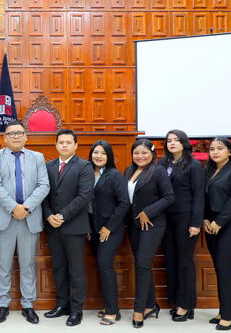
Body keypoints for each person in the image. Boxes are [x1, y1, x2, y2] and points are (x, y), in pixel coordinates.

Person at [0, 120, 50, 324]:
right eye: (11, 133)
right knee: (3, 264)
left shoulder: (38, 157)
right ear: (4, 137)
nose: (15, 136)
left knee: (28, 264)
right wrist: (14, 207)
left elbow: (43, 185)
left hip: (29, 218)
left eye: (19, 133)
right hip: (6, 217)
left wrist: (27, 207)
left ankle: (28, 304)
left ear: (26, 136)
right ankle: (3, 304)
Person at [42, 129, 94, 327]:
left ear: (75, 145)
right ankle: (61, 305)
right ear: (56, 145)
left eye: (68, 142)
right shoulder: (49, 166)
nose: (64, 145)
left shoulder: (84, 166)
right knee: (59, 268)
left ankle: (76, 310)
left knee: (76, 270)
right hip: (53, 227)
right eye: (60, 142)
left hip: (74, 226)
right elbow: (44, 194)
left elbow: (84, 195)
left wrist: (62, 216)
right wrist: (48, 216)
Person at [125, 138, 175, 328]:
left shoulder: (158, 171)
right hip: (134, 226)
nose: (140, 156)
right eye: (136, 153)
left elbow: (169, 196)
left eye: (144, 153)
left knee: (143, 265)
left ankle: (139, 310)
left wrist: (148, 212)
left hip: (154, 224)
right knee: (141, 265)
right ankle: (150, 305)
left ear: (152, 154)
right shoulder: (129, 171)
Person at [157, 130, 204, 322]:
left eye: (176, 140)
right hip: (166, 218)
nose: (172, 143)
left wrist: (196, 222)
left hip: (185, 217)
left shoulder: (193, 165)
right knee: (171, 259)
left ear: (184, 143)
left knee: (185, 261)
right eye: (169, 141)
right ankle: (177, 301)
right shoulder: (162, 163)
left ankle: (186, 305)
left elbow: (199, 195)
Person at [203, 137, 231, 331]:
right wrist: (205, 219)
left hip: (230, 226)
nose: (215, 152)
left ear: (230, 151)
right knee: (220, 269)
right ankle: (224, 311)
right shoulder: (209, 171)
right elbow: (201, 197)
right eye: (212, 149)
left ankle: (229, 316)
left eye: (220, 149)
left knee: (224, 269)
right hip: (210, 225)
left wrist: (219, 222)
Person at [88, 140, 130, 325]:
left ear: (109, 156)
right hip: (93, 229)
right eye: (95, 152)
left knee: (105, 264)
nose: (98, 156)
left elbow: (124, 203)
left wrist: (109, 227)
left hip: (112, 229)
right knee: (100, 265)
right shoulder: (87, 174)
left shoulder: (115, 175)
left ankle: (112, 311)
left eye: (103, 153)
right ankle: (110, 306)